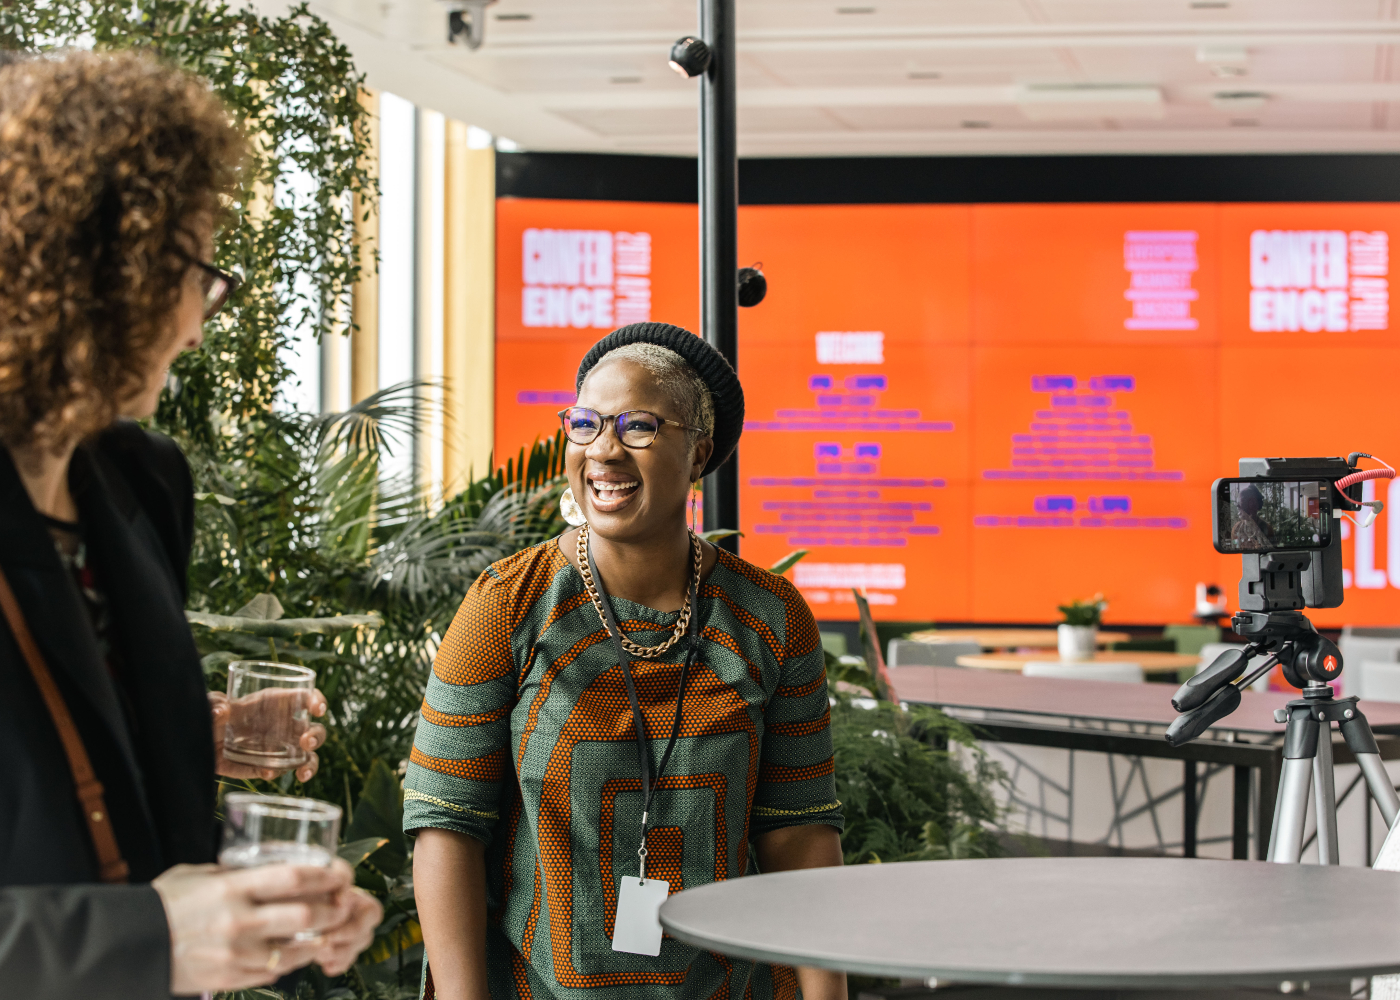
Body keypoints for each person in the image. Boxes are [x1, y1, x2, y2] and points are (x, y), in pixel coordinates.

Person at [0, 50, 380, 997]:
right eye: (199, 274)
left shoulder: (141, 480)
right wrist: (145, 939)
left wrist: (189, 733)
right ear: (100, 272)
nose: (201, 323)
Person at [407, 322, 847, 1000]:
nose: (604, 450)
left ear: (698, 450)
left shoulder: (771, 618)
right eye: (585, 424)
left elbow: (799, 834)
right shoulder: (507, 606)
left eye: (637, 425)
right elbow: (445, 823)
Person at [1231, 484, 1274, 549]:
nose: (1239, 507)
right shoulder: (1237, 528)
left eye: (1242, 503)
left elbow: (1272, 551)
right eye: (1239, 504)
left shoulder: (1267, 528)